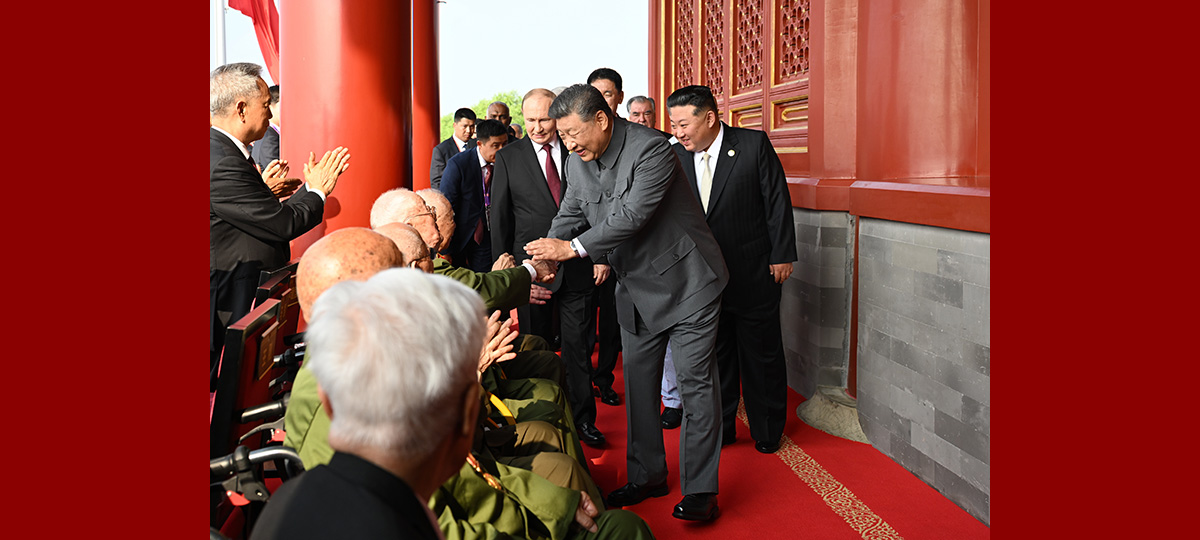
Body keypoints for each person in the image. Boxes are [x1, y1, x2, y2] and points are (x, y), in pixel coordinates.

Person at [525, 83, 729, 522]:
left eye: (573, 133)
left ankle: (701, 490)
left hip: (687, 282)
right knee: (638, 385)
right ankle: (647, 475)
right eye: (562, 136)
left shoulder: (652, 149)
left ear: (602, 119)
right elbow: (570, 213)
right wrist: (545, 256)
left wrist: (571, 250)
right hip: (635, 288)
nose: (568, 144)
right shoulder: (577, 161)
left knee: (695, 386)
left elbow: (632, 216)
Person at [668, 85, 798, 454]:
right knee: (715, 355)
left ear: (709, 118)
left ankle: (767, 428)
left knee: (761, 353)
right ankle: (722, 427)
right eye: (673, 125)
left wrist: (782, 254)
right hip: (702, 277)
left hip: (754, 270)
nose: (677, 132)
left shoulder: (752, 145)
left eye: (683, 124)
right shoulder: (675, 156)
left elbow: (776, 201)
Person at [209, 62, 350, 385]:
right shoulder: (222, 160)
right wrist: (317, 189)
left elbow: (247, 214)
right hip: (234, 296)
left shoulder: (223, 152)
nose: (270, 114)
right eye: (265, 105)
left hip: (244, 288)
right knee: (233, 387)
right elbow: (283, 224)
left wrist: (269, 192)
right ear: (241, 109)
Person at [490, 88, 607, 448]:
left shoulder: (579, 149)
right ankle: (546, 419)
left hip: (577, 264)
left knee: (578, 349)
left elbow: (599, 206)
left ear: (557, 117)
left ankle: (583, 420)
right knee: (535, 349)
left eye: (544, 119)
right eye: (530, 120)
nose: (538, 127)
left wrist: (601, 255)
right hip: (532, 270)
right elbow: (500, 217)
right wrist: (508, 273)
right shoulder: (509, 157)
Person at [585, 69, 625, 409]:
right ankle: (581, 383)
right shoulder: (578, 143)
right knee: (583, 323)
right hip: (582, 252)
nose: (601, 100)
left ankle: (604, 379)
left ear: (619, 98)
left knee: (612, 323)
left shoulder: (636, 142)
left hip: (623, 254)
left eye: (607, 94)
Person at [441, 119, 508, 272]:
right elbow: (447, 206)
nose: (501, 150)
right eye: (495, 146)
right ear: (480, 144)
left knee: (485, 277)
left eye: (504, 144)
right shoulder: (458, 164)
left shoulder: (507, 163)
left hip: (491, 235)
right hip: (462, 234)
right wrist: (445, 248)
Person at [431, 108, 477, 189]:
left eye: (472, 126)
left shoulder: (477, 146)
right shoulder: (441, 150)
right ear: (454, 125)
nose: (469, 131)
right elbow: (437, 183)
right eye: (465, 126)